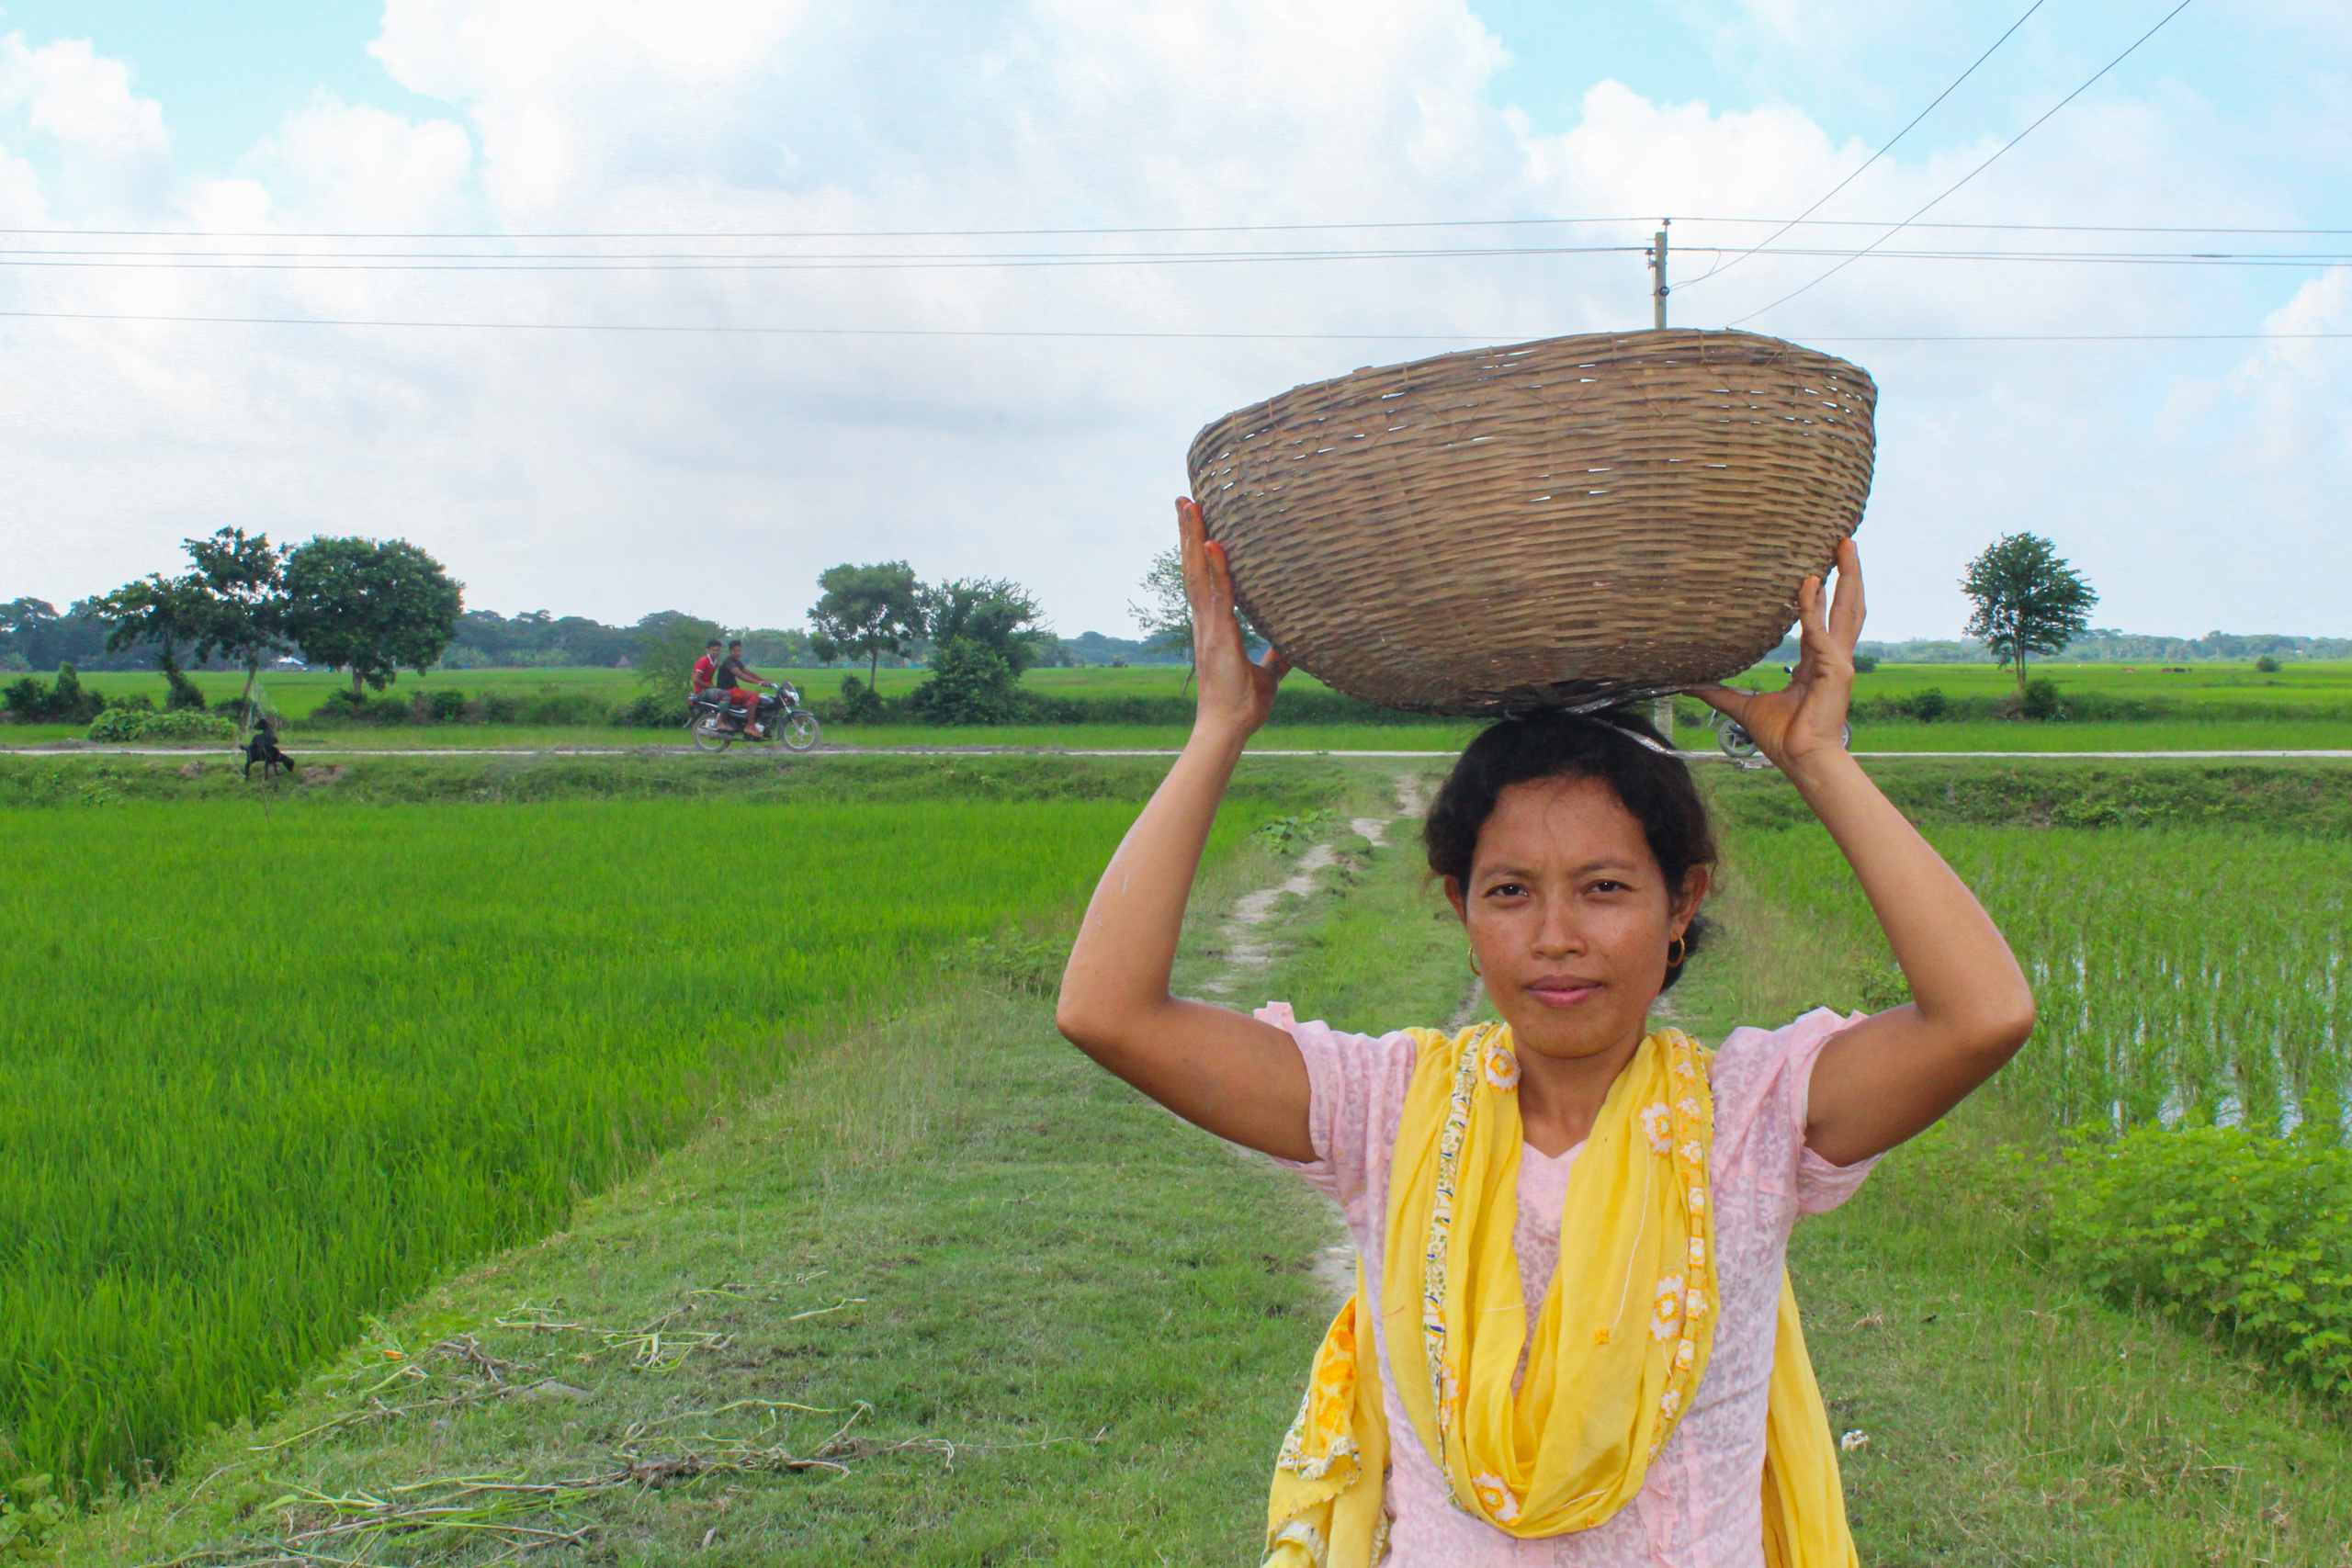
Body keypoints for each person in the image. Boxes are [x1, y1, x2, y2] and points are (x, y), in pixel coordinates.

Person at [1055, 498, 2035, 1568]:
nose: (1556, 937)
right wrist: (1218, 729)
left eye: (1605, 888)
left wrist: (1818, 756)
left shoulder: (1751, 1118)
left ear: (1680, 903)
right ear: (1459, 911)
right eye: (1510, 891)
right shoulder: (1384, 1110)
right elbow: (1108, 1012)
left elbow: (1982, 1015)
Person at [711, 638, 780, 739]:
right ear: (730, 652)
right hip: (727, 691)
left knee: (759, 699)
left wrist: (766, 681)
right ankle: (750, 726)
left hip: (733, 690)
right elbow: (740, 675)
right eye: (735, 651)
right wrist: (758, 682)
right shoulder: (728, 662)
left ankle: (751, 723)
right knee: (753, 695)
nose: (737, 653)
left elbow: (748, 672)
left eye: (739, 651)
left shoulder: (736, 662)